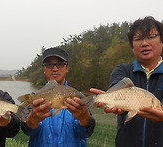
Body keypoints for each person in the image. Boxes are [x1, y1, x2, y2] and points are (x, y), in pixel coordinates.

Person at [92, 16, 163, 147]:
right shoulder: (123, 70)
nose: (144, 43)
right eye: (138, 39)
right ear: (132, 45)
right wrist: (115, 104)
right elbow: (116, 88)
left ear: (162, 41)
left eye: (151, 37)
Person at [21, 47, 95, 147]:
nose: (55, 69)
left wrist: (85, 118)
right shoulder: (36, 100)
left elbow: (85, 133)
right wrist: (32, 120)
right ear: (44, 69)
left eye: (60, 64)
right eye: (49, 65)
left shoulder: (78, 97)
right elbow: (28, 131)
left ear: (67, 67)